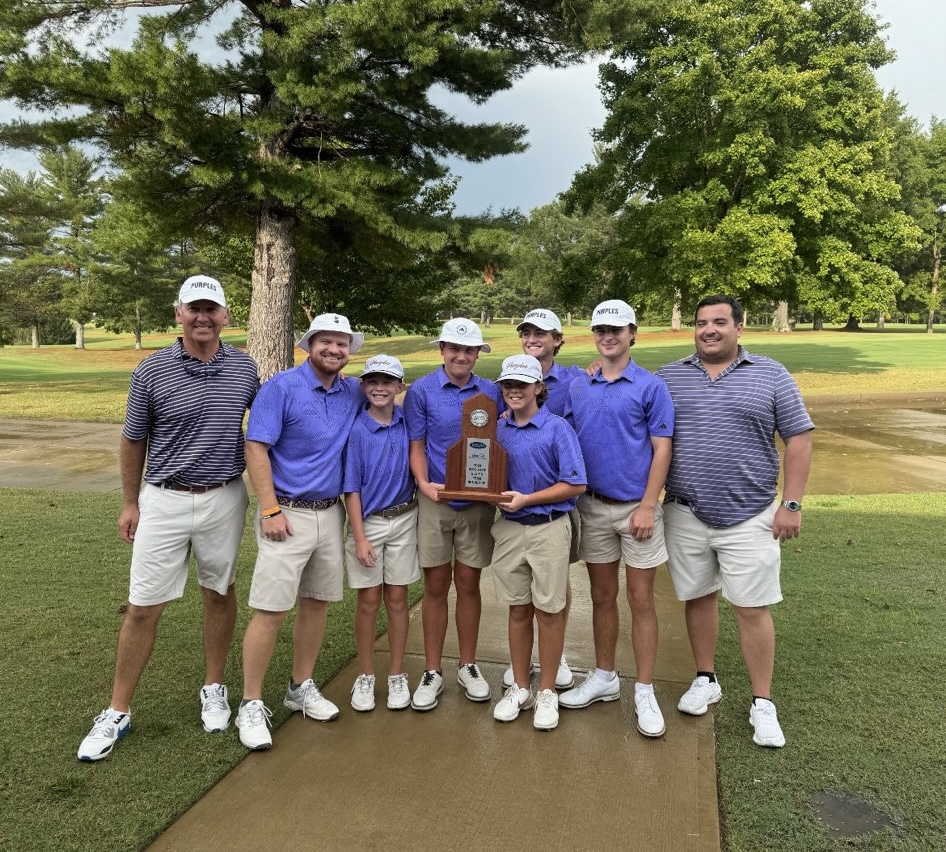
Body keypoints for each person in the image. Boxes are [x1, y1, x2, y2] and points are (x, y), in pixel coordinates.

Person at [78, 275, 260, 762]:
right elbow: (133, 437)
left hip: (224, 495)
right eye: (193, 308)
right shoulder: (151, 370)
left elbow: (266, 431)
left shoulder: (245, 369)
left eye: (212, 309)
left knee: (219, 591)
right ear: (178, 313)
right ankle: (117, 709)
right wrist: (130, 500)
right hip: (163, 497)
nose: (203, 317)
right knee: (142, 605)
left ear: (225, 316)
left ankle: (214, 686)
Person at [657, 294, 813, 748]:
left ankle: (762, 702)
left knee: (751, 607)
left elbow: (799, 440)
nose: (709, 329)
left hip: (751, 513)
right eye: (702, 322)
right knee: (699, 598)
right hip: (684, 510)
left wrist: (793, 503)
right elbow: (632, 408)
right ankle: (706, 678)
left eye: (720, 322)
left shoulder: (770, 374)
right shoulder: (669, 376)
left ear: (740, 328)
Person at [235, 313, 365, 751]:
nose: (334, 350)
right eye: (325, 342)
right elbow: (256, 446)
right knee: (271, 610)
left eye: (342, 343)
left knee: (316, 604)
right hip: (284, 512)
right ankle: (251, 703)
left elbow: (388, 403)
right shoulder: (280, 388)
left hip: (330, 514)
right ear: (309, 345)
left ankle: (300, 686)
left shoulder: (352, 390)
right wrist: (268, 508)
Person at [561, 299, 674, 738]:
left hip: (636, 509)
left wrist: (649, 504)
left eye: (616, 330)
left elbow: (661, 447)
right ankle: (605, 676)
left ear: (632, 333)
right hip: (592, 505)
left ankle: (643, 688)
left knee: (641, 600)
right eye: (600, 330)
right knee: (602, 596)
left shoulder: (650, 386)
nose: (608, 337)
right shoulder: (579, 385)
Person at [403, 318, 502, 711]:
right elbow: (416, 444)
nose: (461, 356)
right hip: (436, 498)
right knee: (435, 585)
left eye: (469, 350)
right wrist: (424, 484)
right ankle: (432, 669)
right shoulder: (422, 390)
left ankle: (468, 664)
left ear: (477, 354)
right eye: (453, 349)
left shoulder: (492, 391)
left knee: (469, 583)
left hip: (476, 503)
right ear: (442, 350)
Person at [490, 355, 586, 731]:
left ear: (539, 388)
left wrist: (528, 499)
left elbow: (575, 484)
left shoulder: (557, 428)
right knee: (517, 609)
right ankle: (520, 686)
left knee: (548, 611)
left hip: (548, 526)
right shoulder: (497, 431)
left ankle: (547, 691)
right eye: (508, 385)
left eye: (521, 385)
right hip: (510, 528)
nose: (514, 391)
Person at [343, 355, 420, 713]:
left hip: (405, 518)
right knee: (369, 601)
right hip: (369, 523)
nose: (379, 387)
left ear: (400, 387)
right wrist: (359, 537)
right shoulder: (357, 430)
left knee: (398, 599)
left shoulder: (409, 423)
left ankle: (396, 675)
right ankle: (366, 674)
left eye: (388, 382)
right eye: (372, 381)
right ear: (363, 386)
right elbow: (352, 490)